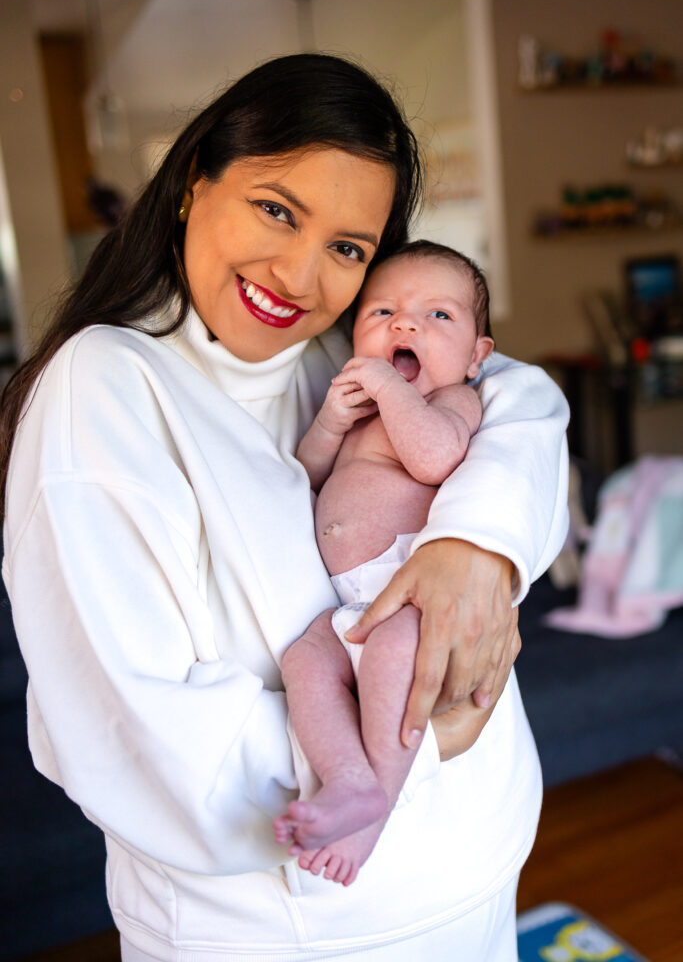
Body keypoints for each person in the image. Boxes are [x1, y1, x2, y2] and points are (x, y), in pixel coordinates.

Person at [0, 53, 569, 961]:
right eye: (276, 209)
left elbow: (527, 405)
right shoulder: (104, 388)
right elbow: (134, 732)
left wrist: (477, 543)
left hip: (480, 870)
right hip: (300, 931)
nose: (300, 275)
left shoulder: (338, 359)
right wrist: (435, 743)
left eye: (346, 248)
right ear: (194, 182)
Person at [274, 241, 495, 886]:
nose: (405, 325)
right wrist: (330, 424)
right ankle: (347, 778)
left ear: (476, 357)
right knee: (303, 662)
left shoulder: (453, 403)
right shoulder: (359, 410)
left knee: (397, 660)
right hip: (348, 604)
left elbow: (433, 459)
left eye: (438, 317)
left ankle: (376, 811)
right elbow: (307, 478)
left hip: (410, 594)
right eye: (383, 313)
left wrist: (387, 391)